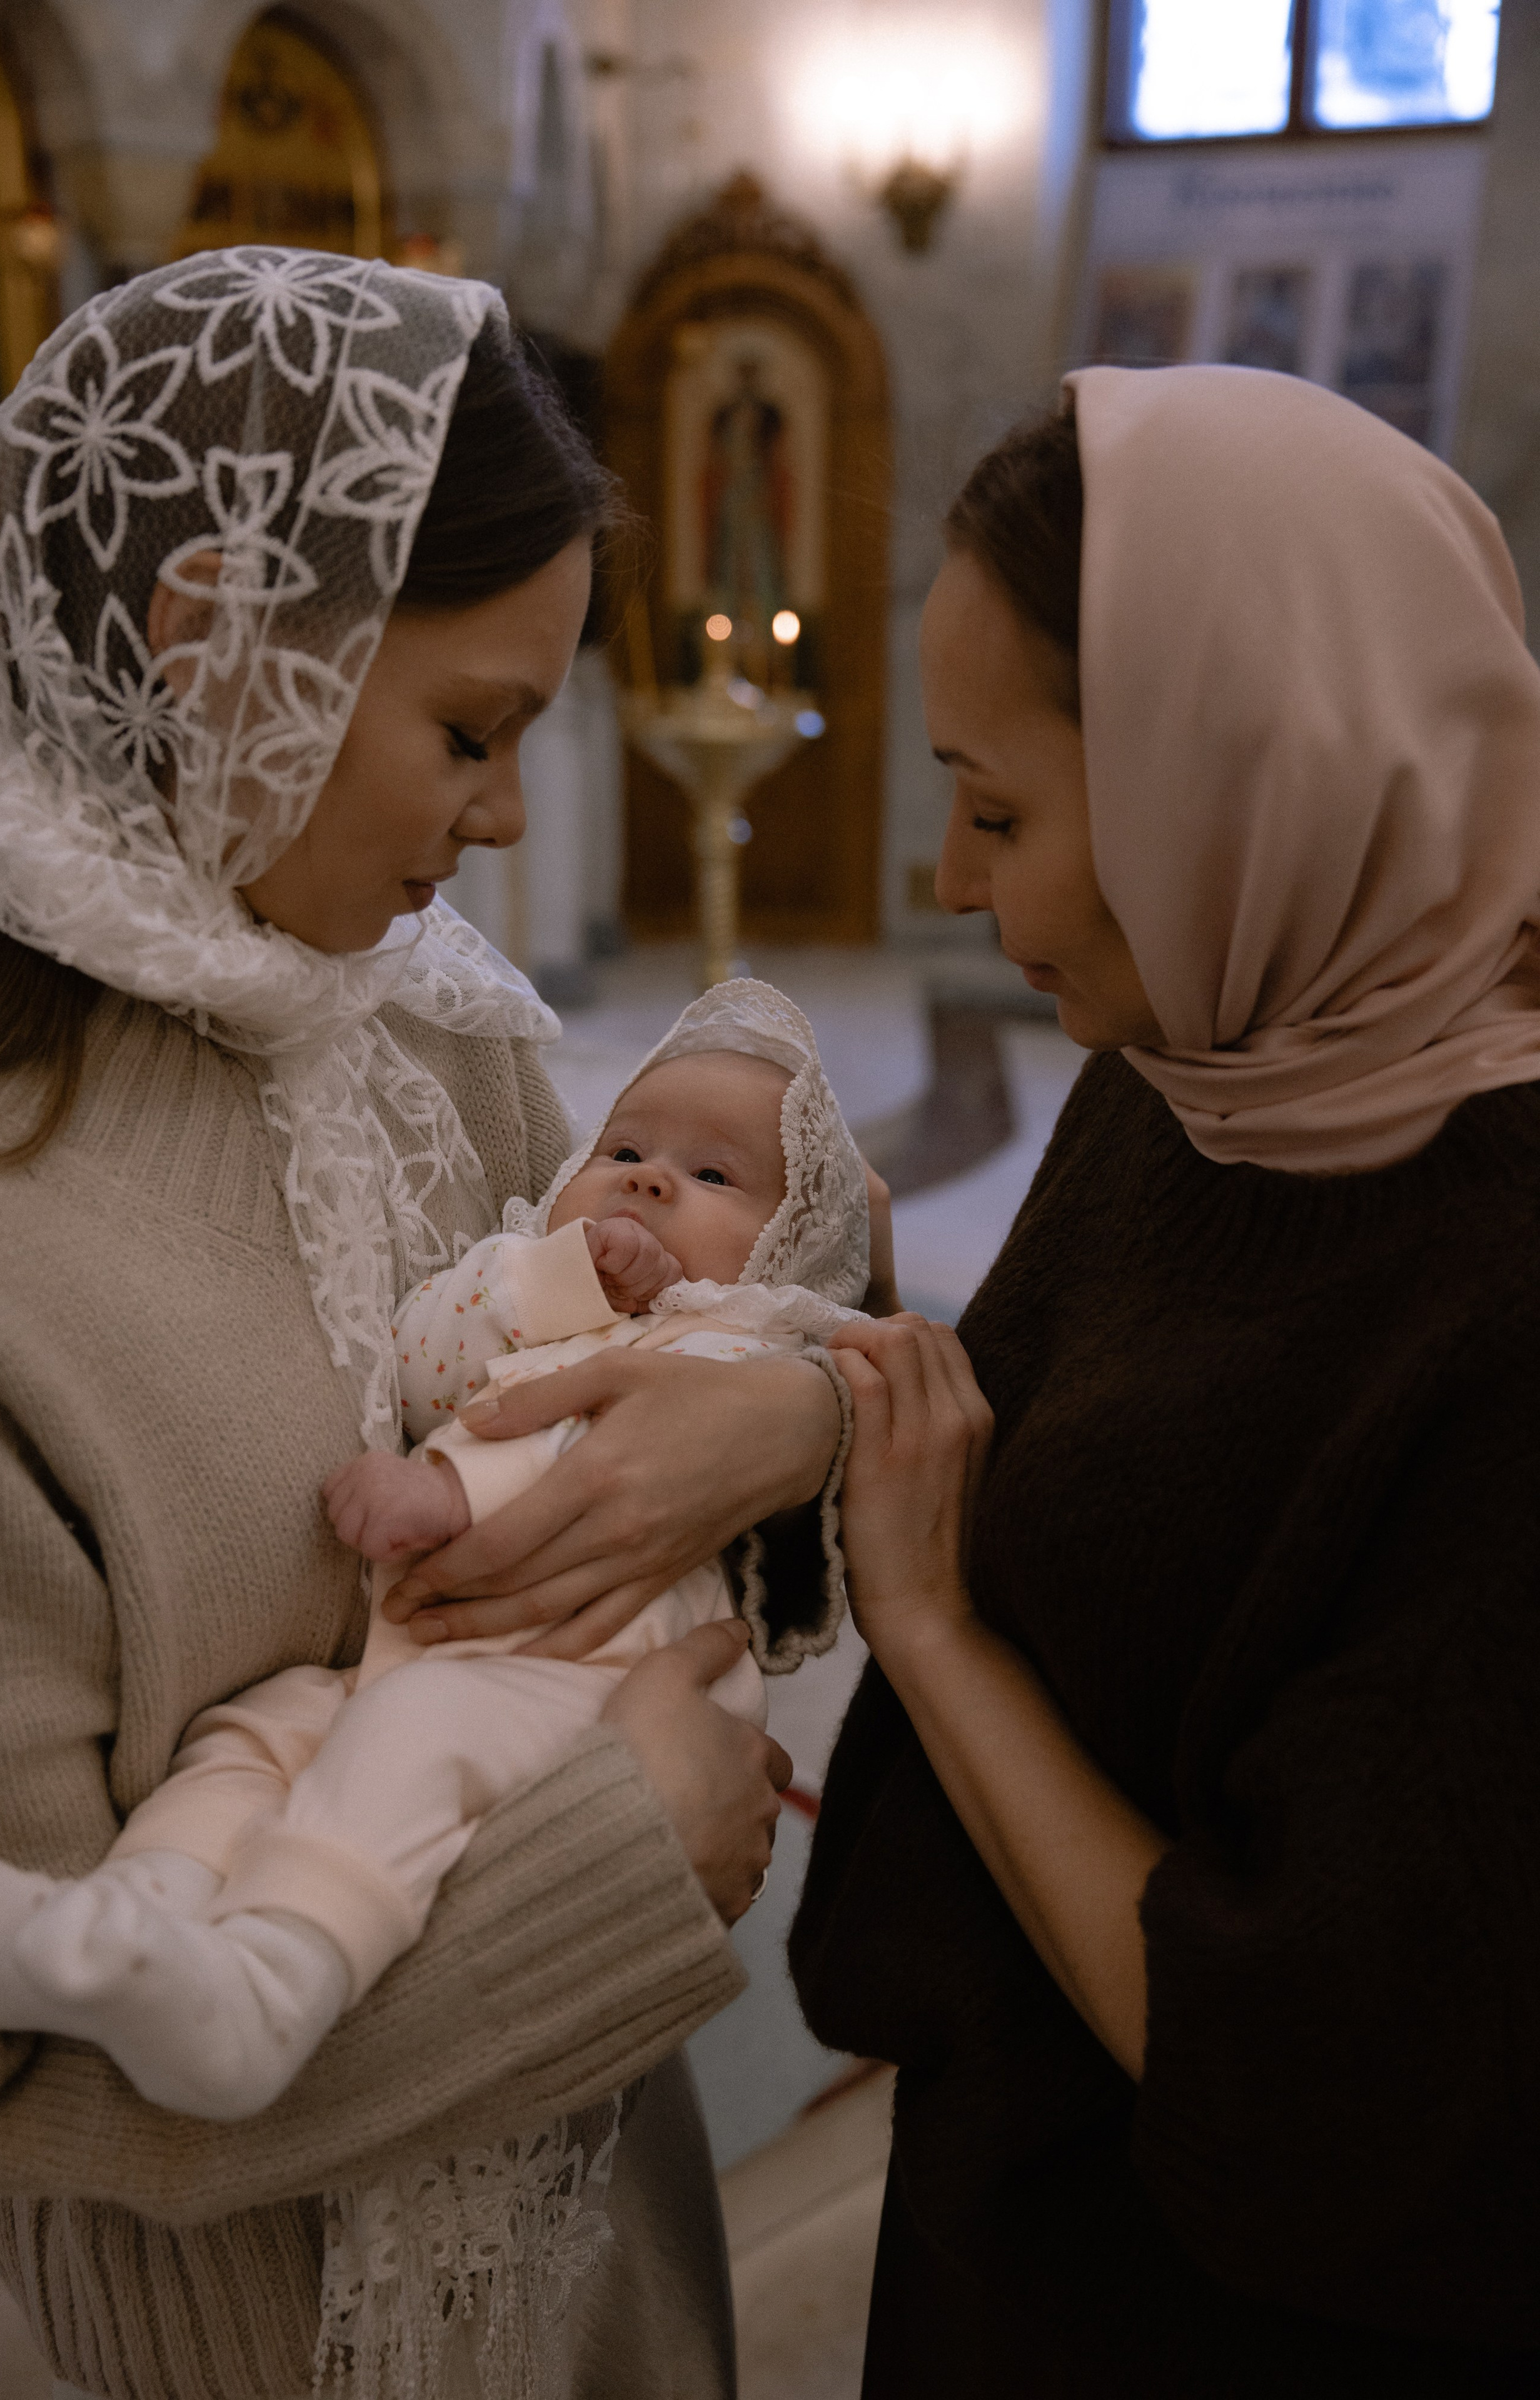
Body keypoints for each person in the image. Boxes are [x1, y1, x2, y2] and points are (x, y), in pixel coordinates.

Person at [0, 250, 861, 2400]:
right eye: (473, 728)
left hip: (609, 2226)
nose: (512, 818)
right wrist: (617, 1865)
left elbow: (743, 1319)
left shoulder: (448, 1049)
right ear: (217, 649)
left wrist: (787, 1417)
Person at [789, 365, 1540, 2396]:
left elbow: (1310, 2073)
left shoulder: (1496, 1299)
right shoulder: (1208, 1057)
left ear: (1238, 778)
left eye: (1000, 807)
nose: (951, 882)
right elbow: (1040, 1439)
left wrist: (932, 1632)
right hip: (1005, 2208)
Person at [0, 983, 868, 2155]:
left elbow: (584, 1463)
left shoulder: (731, 1337)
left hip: (582, 1672)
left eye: (716, 1177)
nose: (647, 1179)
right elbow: (427, 1360)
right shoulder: (542, 1287)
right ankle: (135, 1918)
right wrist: (546, 1277)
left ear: (788, 1249)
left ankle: (271, 1979)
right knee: (258, 1726)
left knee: (403, 1743)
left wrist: (445, 1492)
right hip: (443, 1649)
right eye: (625, 1148)